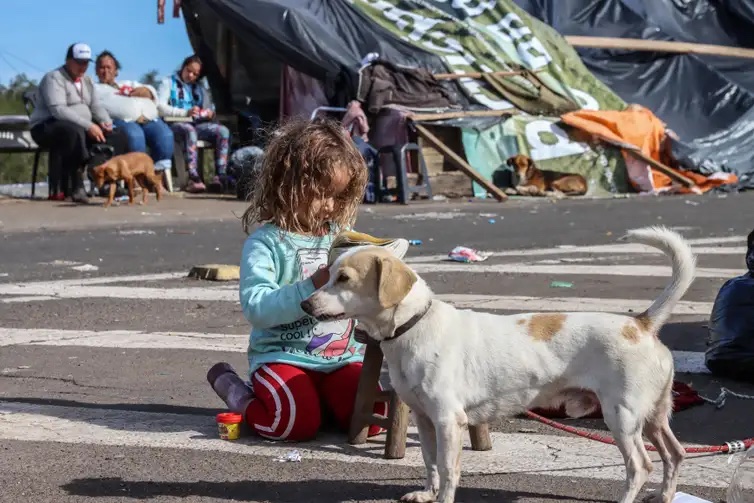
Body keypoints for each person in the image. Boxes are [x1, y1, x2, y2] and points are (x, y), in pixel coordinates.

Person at [206, 118, 409, 442]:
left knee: (370, 421)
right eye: (321, 195)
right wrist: (312, 284)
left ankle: (317, 405)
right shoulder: (267, 243)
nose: (330, 206)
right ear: (287, 185)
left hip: (341, 358)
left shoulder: (339, 238)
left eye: (338, 197)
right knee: (291, 425)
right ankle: (235, 392)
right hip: (282, 356)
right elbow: (257, 307)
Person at [30, 42, 128, 203]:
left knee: (117, 135)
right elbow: (58, 110)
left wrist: (105, 122)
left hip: (80, 126)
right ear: (69, 60)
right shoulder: (54, 78)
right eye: (79, 62)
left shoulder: (87, 81)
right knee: (73, 131)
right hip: (47, 127)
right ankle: (76, 185)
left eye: (86, 63)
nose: (83, 67)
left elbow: (96, 106)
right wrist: (89, 125)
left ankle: (104, 181)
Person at [156, 55, 230, 193]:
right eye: (189, 70)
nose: (191, 75)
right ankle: (193, 176)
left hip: (198, 124)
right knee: (189, 131)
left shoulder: (199, 88)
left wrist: (209, 113)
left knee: (223, 131)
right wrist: (184, 113)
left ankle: (220, 175)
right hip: (175, 125)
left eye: (195, 74)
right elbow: (160, 107)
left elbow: (209, 107)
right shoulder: (168, 82)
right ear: (183, 66)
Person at [94, 51, 174, 176]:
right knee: (135, 135)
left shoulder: (128, 83)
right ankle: (138, 175)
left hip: (147, 118)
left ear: (116, 71)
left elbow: (151, 91)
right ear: (96, 71)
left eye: (109, 67)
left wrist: (146, 91)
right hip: (121, 120)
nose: (105, 71)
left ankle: (158, 175)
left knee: (165, 134)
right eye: (101, 68)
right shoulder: (95, 88)